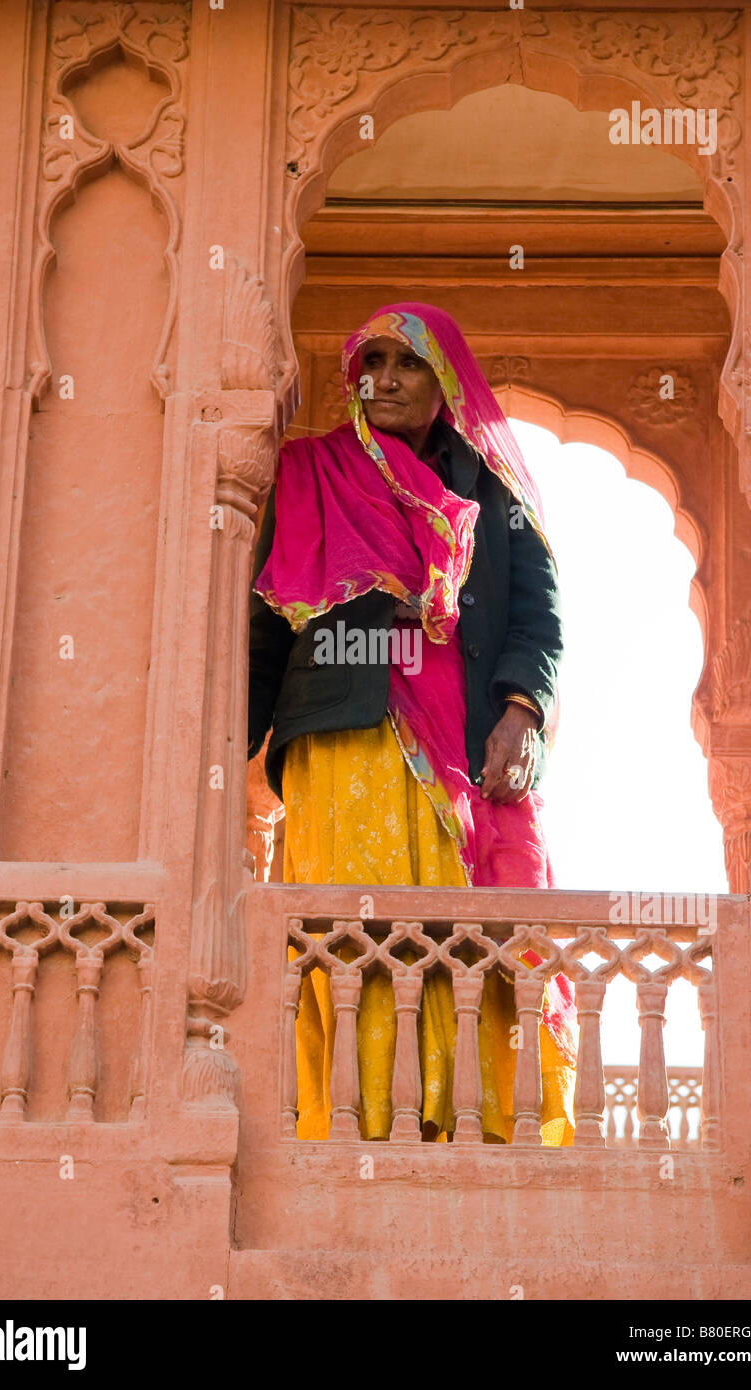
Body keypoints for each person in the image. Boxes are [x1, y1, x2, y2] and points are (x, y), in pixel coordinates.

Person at [248, 302, 577, 1144]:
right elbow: (262, 627)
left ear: (446, 381)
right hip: (337, 730)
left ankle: (465, 1113)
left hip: (461, 740)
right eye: (373, 362)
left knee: (457, 922)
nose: (384, 378)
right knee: (348, 926)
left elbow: (538, 615)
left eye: (408, 363)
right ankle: (356, 1115)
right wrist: (225, 761)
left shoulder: (489, 488)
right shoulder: (312, 472)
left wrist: (521, 712)